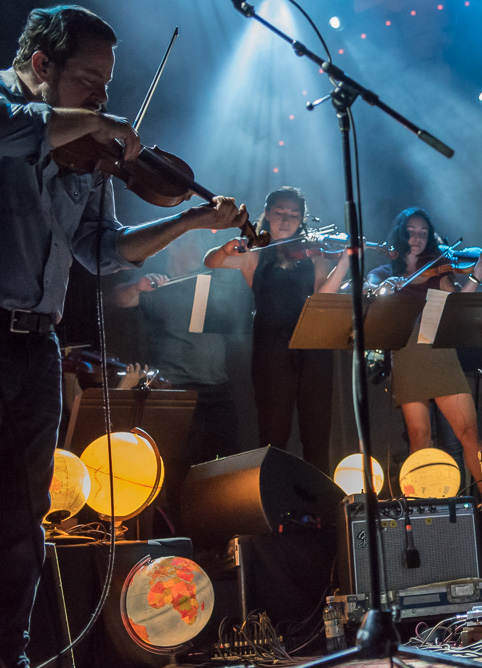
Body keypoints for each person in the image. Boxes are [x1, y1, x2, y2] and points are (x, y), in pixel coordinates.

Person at [0, 6, 249, 667]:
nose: (103, 99)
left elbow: (102, 250)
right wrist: (98, 124)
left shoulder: (89, 153)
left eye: (109, 87)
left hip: (36, 344)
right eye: (91, 81)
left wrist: (191, 220)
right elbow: (25, 130)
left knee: (25, 525)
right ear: (41, 65)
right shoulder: (8, 109)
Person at [204, 186, 350, 475]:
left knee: (317, 436)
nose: (287, 220)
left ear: (302, 219)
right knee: (274, 436)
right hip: (272, 350)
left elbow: (323, 296)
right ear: (268, 214)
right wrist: (225, 247)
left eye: (294, 215)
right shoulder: (254, 253)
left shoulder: (313, 254)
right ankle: (274, 505)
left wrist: (346, 261)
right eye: (280, 213)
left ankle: (320, 511)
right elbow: (212, 261)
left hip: (314, 348)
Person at [111, 231, 250, 529]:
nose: (198, 248)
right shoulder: (156, 283)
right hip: (177, 392)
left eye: (200, 243)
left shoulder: (213, 280)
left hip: (218, 389)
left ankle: (224, 536)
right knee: (179, 471)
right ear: (172, 247)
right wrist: (138, 285)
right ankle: (184, 538)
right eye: (191, 242)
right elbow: (119, 298)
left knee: (227, 466)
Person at [365, 207, 482, 498]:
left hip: (440, 353)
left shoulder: (439, 266)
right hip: (407, 356)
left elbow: (457, 304)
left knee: (470, 435)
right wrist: (384, 288)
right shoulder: (384, 272)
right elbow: (370, 291)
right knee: (419, 438)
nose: (417, 238)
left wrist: (476, 276)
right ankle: (421, 505)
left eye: (423, 233)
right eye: (411, 231)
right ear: (401, 234)